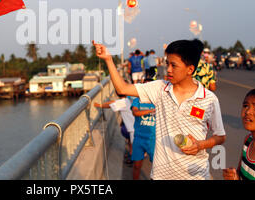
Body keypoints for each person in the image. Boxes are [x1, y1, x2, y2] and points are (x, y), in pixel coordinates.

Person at [92, 39, 226, 180]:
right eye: (167, 63)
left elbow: (220, 136)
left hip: (196, 176)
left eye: (174, 65)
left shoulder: (209, 99)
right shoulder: (160, 88)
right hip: (161, 175)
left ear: (190, 69)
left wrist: (200, 145)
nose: (168, 70)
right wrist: (108, 60)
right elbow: (122, 88)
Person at [94, 96, 135, 165]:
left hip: (133, 129)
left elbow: (111, 103)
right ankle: (132, 155)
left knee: (135, 146)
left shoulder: (124, 102)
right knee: (132, 142)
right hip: (136, 127)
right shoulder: (135, 99)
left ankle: (134, 159)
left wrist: (99, 105)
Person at [130, 96, 156, 180]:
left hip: (154, 139)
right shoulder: (137, 100)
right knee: (137, 165)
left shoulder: (158, 99)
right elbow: (135, 112)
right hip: (139, 137)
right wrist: (152, 110)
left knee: (156, 167)